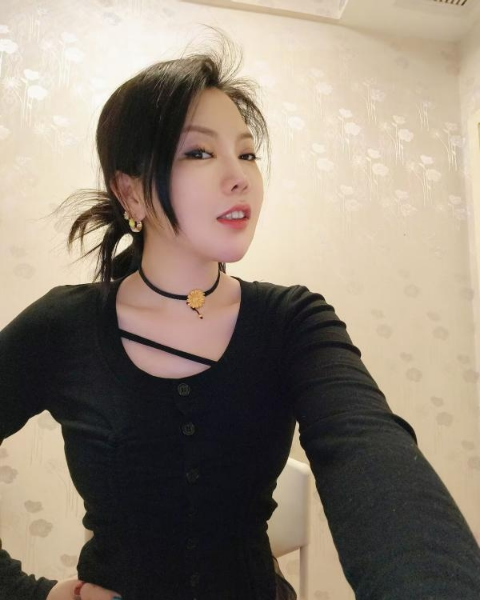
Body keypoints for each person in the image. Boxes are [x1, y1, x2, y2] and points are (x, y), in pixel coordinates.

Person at [1, 27, 480, 600]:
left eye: (247, 153)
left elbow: (367, 448)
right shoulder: (64, 326)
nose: (240, 176)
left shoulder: (292, 320)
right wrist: (29, 592)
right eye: (200, 152)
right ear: (130, 192)